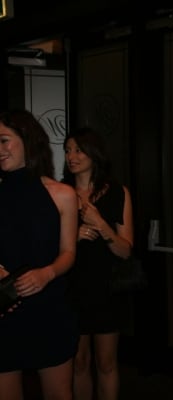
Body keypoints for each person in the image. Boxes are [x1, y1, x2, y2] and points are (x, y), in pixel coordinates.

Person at [0, 109, 79, 399]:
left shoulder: (63, 194)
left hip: (48, 309)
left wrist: (47, 273)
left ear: (27, 139)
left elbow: (68, 252)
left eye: (4, 140)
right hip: (4, 311)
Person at [62, 127, 134, 400]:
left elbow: (125, 251)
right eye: (67, 150)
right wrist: (73, 236)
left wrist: (101, 224)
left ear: (94, 153)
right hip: (71, 287)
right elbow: (43, 247)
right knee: (78, 362)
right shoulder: (60, 192)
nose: (71, 156)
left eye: (78, 150)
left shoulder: (118, 192)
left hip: (107, 289)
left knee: (106, 363)